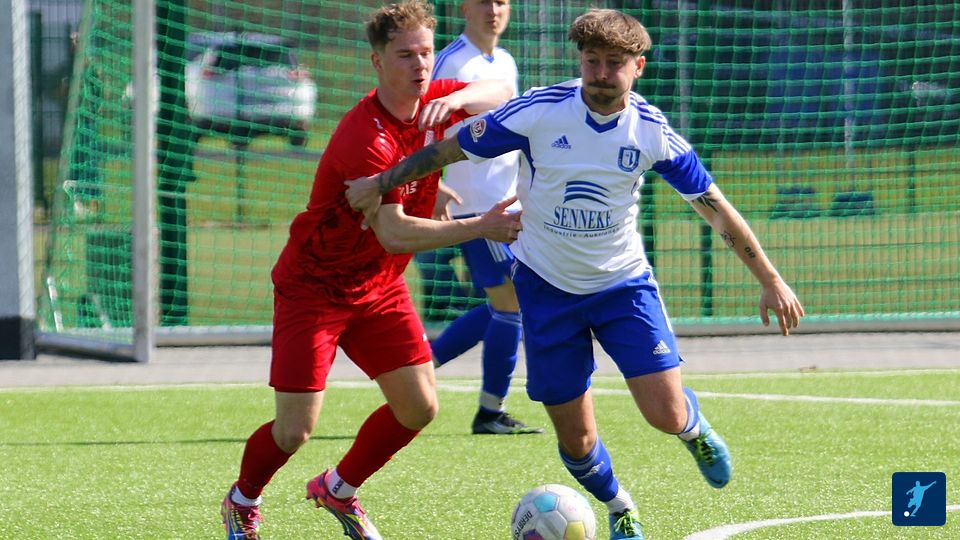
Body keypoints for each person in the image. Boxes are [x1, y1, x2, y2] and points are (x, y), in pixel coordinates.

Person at [345, 8, 805, 540]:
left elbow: (717, 209)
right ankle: (620, 506)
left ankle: (693, 430)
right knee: (577, 439)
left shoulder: (652, 132)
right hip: (545, 289)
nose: (601, 74)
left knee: (664, 412)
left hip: (622, 286)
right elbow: (449, 148)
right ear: (580, 61)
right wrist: (382, 182)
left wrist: (770, 280)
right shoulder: (540, 112)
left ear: (638, 67)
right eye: (592, 61)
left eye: (615, 63)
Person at [219, 2, 518, 539]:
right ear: (377, 62)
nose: (419, 65)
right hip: (315, 288)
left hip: (378, 286)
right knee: (294, 430)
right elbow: (395, 233)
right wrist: (482, 226)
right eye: (405, 55)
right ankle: (242, 500)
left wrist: (461, 98)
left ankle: (338, 489)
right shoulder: (367, 137)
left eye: (425, 53)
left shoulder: (434, 100)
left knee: (419, 407)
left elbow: (502, 93)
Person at [427, 0, 542, 435]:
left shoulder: (505, 61)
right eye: (483, 1)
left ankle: (418, 365)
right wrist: (432, 183)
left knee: (505, 305)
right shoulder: (451, 61)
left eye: (501, 1)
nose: (493, 10)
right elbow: (422, 123)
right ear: (463, 7)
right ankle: (490, 412)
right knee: (512, 304)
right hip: (475, 206)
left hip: (505, 204)